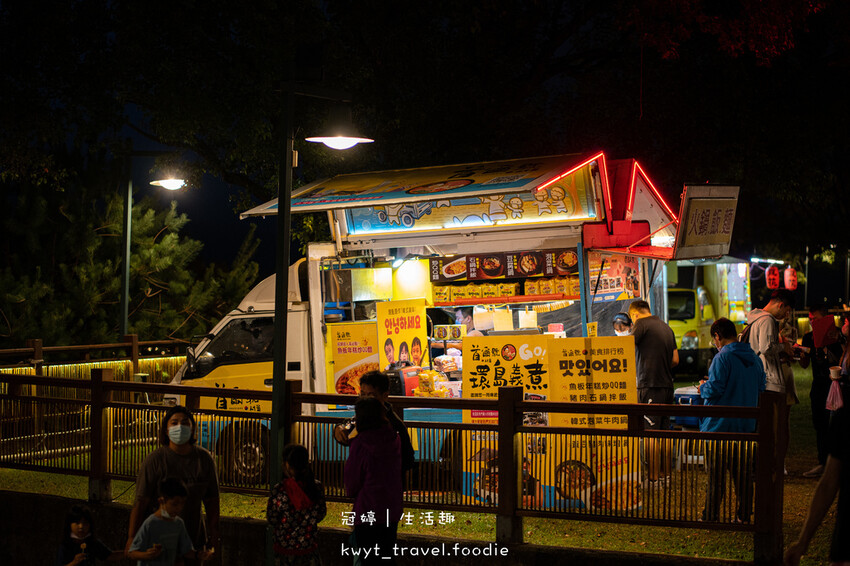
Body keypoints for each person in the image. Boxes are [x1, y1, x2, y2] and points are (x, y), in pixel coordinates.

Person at [126, 405, 220, 563]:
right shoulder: (155, 461)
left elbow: (212, 501)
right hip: (160, 542)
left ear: (192, 428)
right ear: (166, 429)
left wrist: (214, 534)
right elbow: (141, 501)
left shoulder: (204, 460)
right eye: (174, 423)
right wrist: (131, 537)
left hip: (193, 537)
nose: (180, 427)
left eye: (185, 423)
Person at [698, 318, 766, 522]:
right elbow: (761, 387)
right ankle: (744, 515)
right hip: (745, 426)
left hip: (719, 426)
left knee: (716, 477)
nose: (715, 344)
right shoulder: (753, 357)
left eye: (714, 340)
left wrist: (703, 387)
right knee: (743, 476)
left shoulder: (722, 358)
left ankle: (710, 516)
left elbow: (715, 388)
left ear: (717, 336)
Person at [784, 399, 850, 565]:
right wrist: (803, 542)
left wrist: (803, 542)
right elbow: (828, 483)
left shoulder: (845, 416)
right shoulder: (844, 417)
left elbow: (828, 483)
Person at [344, 397, 403, 565]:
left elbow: (352, 480)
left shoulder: (361, 443)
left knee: (368, 558)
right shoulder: (394, 439)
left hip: (368, 510)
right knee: (386, 556)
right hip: (390, 510)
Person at [745, 288, 796, 471]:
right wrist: (784, 347)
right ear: (781, 305)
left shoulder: (755, 319)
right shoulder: (767, 320)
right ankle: (768, 466)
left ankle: (760, 465)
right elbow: (767, 348)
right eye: (787, 311)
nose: (786, 315)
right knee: (773, 428)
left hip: (759, 378)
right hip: (770, 381)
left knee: (763, 427)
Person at [628, 300, 679, 482]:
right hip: (667, 386)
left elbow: (626, 347)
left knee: (650, 434)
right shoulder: (666, 327)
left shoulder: (641, 324)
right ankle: (666, 475)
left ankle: (653, 478)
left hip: (650, 384)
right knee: (664, 433)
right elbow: (675, 359)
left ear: (634, 314)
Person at [333, 371, 416, 481]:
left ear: (385, 396)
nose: (365, 400)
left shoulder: (394, 424)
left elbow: (408, 459)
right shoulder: (361, 417)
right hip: (367, 484)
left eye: (371, 395)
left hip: (387, 483)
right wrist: (338, 430)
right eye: (362, 394)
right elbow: (347, 430)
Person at [799, 305, 844, 478]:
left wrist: (838, 340)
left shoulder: (838, 335)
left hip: (835, 385)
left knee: (835, 425)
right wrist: (801, 356)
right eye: (810, 318)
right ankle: (822, 462)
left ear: (825, 319)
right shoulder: (808, 337)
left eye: (815, 318)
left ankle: (835, 463)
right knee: (819, 424)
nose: (812, 321)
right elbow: (804, 365)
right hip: (817, 386)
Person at [129, 478, 213, 565]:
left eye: (182, 503)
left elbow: (186, 550)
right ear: (161, 501)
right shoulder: (151, 524)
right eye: (175, 504)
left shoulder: (178, 523)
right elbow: (132, 553)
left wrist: (199, 555)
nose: (179, 508)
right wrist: (147, 555)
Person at [267, 443, 327, 566]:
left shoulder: (280, 490)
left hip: (285, 552)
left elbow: (272, 518)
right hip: (309, 550)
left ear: (287, 465)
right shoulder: (317, 487)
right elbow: (321, 514)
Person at [56, 505, 123, 566]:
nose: (81, 526)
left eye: (85, 523)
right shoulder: (65, 545)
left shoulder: (92, 542)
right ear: (69, 524)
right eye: (77, 523)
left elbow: (110, 555)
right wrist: (74, 562)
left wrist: (127, 552)